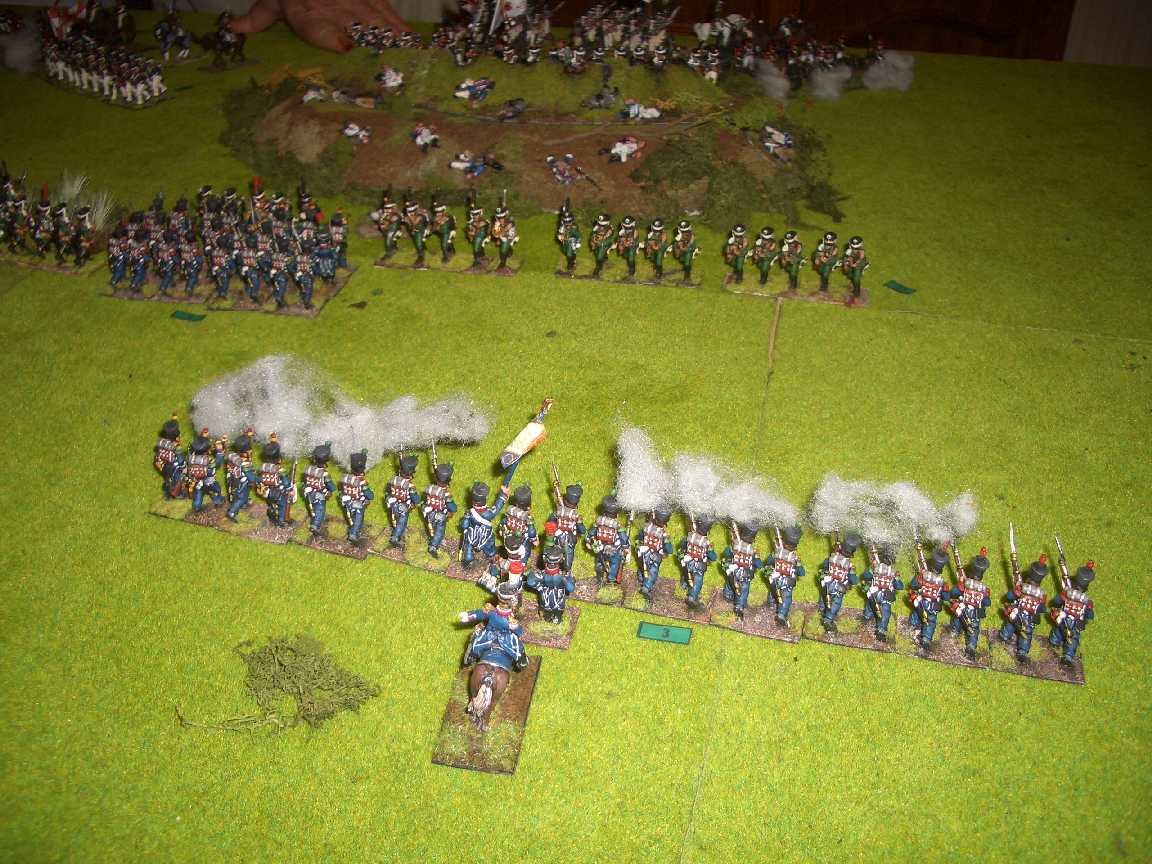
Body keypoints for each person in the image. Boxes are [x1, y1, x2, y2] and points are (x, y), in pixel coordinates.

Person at [998, 556, 1049, 662]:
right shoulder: (1021, 588)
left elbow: (1042, 609)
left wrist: (1042, 603)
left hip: (1028, 619)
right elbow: (1009, 597)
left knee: (1026, 635)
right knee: (1009, 625)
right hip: (1016, 613)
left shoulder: (1040, 595)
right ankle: (1003, 636)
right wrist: (1014, 592)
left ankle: (1022, 652)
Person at [1049, 560, 1096, 667]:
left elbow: (1090, 616)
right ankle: (1054, 642)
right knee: (1058, 631)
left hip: (1075, 623)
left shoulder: (1086, 602)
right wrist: (1061, 596)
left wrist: (1089, 609)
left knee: (1073, 640)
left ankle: (1068, 656)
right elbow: (1056, 601)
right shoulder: (1068, 593)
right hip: (1063, 617)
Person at [948, 547, 991, 658]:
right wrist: (959, 586)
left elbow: (987, 603)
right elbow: (953, 593)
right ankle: (957, 636)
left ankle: (968, 645)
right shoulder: (971, 586)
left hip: (970, 612)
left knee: (970, 629)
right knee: (961, 625)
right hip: (966, 611)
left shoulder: (978, 588)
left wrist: (986, 596)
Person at [860, 546, 905, 641]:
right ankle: (867, 616)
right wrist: (871, 569)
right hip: (874, 592)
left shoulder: (893, 572)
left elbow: (900, 586)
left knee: (885, 613)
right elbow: (866, 576)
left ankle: (881, 630)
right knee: (870, 605)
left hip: (886, 595)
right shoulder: (876, 568)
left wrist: (897, 578)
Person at [817, 533, 859, 633]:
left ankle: (822, 609)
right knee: (836, 603)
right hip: (839, 587)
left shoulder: (832, 557)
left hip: (827, 583)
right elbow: (853, 580)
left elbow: (824, 566)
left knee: (824, 596)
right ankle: (828, 619)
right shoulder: (850, 565)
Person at [764, 525, 805, 626]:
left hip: (778, 579)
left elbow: (769, 561)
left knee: (774, 591)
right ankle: (781, 614)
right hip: (785, 581)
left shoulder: (779, 553)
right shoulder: (792, 558)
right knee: (786, 598)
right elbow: (801, 572)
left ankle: (772, 603)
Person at [525, 544, 576, 623]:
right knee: (548, 613)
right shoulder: (559, 576)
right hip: (549, 598)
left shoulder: (546, 575)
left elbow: (571, 588)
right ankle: (550, 618)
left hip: (553, 598)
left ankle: (555, 618)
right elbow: (530, 581)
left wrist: (539, 586)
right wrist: (539, 587)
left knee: (556, 613)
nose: (552, 565)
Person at [586, 496, 629, 585]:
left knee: (600, 562)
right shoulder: (618, 526)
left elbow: (591, 532)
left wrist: (588, 541)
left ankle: (600, 576)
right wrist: (626, 547)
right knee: (615, 563)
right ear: (617, 514)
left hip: (600, 547)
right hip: (614, 550)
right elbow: (623, 538)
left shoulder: (598, 522)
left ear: (604, 512)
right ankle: (611, 578)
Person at [721, 523, 761, 618]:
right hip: (744, 575)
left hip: (734, 572)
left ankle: (727, 595)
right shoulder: (752, 551)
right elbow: (759, 565)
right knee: (743, 590)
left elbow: (726, 553)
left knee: (730, 584)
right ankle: (739, 605)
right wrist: (757, 557)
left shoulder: (735, 546)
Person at [544, 484, 585, 573]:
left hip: (560, 537)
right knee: (567, 556)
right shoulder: (575, 515)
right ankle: (565, 570)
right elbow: (582, 531)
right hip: (567, 539)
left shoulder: (559, 512)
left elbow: (550, 521)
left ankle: (558, 567)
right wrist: (579, 522)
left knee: (558, 554)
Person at [678, 517, 717, 609]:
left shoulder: (689, 536)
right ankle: (692, 597)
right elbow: (713, 557)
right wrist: (710, 549)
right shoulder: (706, 543)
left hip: (687, 562)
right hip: (698, 565)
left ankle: (684, 585)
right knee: (698, 581)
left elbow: (682, 545)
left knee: (686, 573)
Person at [635, 509, 673, 598]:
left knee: (644, 567)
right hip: (652, 555)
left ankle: (642, 580)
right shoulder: (662, 534)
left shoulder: (646, 528)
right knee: (652, 571)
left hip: (645, 553)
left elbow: (639, 537)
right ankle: (646, 586)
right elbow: (669, 549)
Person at [339, 449, 375, 544]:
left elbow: (341, 489)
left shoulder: (345, 478)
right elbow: (369, 495)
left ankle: (357, 530)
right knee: (358, 519)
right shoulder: (362, 482)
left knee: (354, 518)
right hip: (357, 503)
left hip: (346, 502)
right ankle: (353, 534)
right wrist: (371, 494)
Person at [422, 462, 457, 557]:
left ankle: (433, 538)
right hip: (439, 515)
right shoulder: (446, 494)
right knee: (439, 531)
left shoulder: (429, 488)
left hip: (428, 512)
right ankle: (433, 546)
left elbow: (425, 499)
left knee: (432, 527)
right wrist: (453, 509)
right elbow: (452, 507)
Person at [386, 453, 421, 548]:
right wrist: (416, 501)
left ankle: (399, 532)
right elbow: (416, 499)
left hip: (392, 503)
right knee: (402, 522)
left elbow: (388, 491)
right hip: (403, 506)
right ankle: (395, 538)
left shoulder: (393, 480)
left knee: (397, 520)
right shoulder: (410, 486)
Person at [302, 443, 337, 536]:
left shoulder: (308, 469)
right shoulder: (324, 473)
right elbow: (330, 485)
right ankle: (315, 526)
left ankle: (317, 518)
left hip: (307, 492)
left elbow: (305, 479)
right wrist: (331, 489)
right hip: (318, 494)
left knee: (314, 507)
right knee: (320, 509)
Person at [224, 432, 257, 522]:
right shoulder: (245, 464)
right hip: (241, 483)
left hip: (233, 479)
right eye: (249, 450)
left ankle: (244, 503)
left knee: (242, 495)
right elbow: (251, 477)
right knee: (241, 498)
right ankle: (231, 512)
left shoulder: (232, 457)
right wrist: (257, 479)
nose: (251, 451)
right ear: (245, 453)